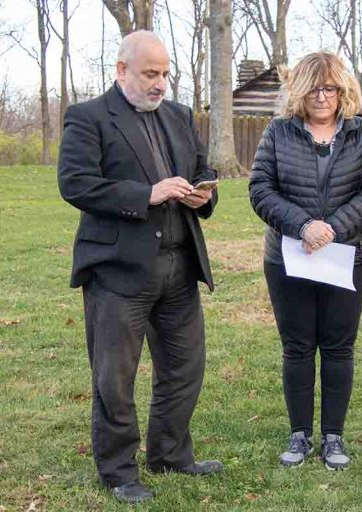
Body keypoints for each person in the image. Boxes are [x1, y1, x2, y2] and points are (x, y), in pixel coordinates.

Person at [57, 31, 222, 504]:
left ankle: (170, 454)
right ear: (121, 69)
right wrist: (145, 194)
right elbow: (75, 183)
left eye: (166, 73)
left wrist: (203, 195)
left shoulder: (179, 116)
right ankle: (118, 471)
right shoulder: (88, 117)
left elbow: (201, 171)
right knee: (115, 378)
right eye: (151, 74)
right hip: (117, 272)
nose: (161, 84)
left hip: (178, 265)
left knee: (185, 369)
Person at [249, 52, 362, 471]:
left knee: (338, 346)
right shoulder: (277, 133)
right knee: (297, 347)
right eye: (314, 88)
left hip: (346, 256)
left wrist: (333, 228)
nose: (322, 96)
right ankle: (299, 434)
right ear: (299, 91)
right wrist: (303, 225)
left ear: (343, 90)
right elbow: (260, 189)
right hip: (288, 258)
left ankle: (333, 436)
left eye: (330, 88)